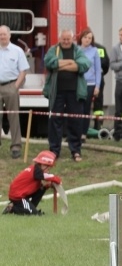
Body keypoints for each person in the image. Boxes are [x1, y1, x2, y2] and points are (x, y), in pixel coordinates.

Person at [44, 29, 90, 161]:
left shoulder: (78, 50)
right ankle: (54, 151)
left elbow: (84, 64)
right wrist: (70, 63)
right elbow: (49, 62)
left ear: (72, 39)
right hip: (56, 92)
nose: (65, 41)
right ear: (59, 39)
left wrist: (60, 65)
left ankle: (75, 150)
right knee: (55, 121)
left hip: (75, 93)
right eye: (63, 39)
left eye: (68, 39)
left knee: (75, 121)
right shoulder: (53, 50)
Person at [0, 25, 29, 159]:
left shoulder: (17, 51)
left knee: (14, 117)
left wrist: (15, 87)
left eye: (4, 34)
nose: (2, 36)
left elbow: (23, 71)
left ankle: (16, 146)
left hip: (11, 85)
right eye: (0, 34)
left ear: (10, 35)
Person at [3, 150, 61, 215]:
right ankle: (12, 208)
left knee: (42, 188)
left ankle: (30, 207)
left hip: (22, 194)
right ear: (43, 165)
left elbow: (38, 185)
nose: (48, 171)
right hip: (19, 196)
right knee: (33, 214)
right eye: (48, 168)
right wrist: (57, 179)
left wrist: (47, 185)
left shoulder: (35, 170)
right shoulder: (37, 171)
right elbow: (48, 177)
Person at [77, 28, 103, 143]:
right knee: (76, 108)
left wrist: (97, 86)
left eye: (90, 38)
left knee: (86, 109)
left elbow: (98, 70)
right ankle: (74, 133)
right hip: (78, 83)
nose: (87, 40)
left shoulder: (94, 51)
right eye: (85, 37)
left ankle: (83, 133)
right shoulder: (76, 50)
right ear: (81, 38)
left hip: (90, 84)